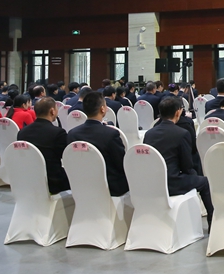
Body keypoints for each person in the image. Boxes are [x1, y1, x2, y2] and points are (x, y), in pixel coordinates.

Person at [144, 96, 214, 228]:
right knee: (203, 182)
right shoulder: (182, 133)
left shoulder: (149, 134)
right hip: (173, 183)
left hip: (153, 182)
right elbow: (187, 166)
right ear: (178, 112)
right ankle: (212, 220)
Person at [66, 92, 129, 197]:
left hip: (81, 184)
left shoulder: (72, 133)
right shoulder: (111, 134)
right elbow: (121, 163)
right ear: (102, 109)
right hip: (110, 188)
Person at [17, 98, 70, 195]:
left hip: (28, 179)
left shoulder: (22, 132)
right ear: (52, 111)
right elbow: (67, 157)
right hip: (53, 181)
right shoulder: (58, 133)